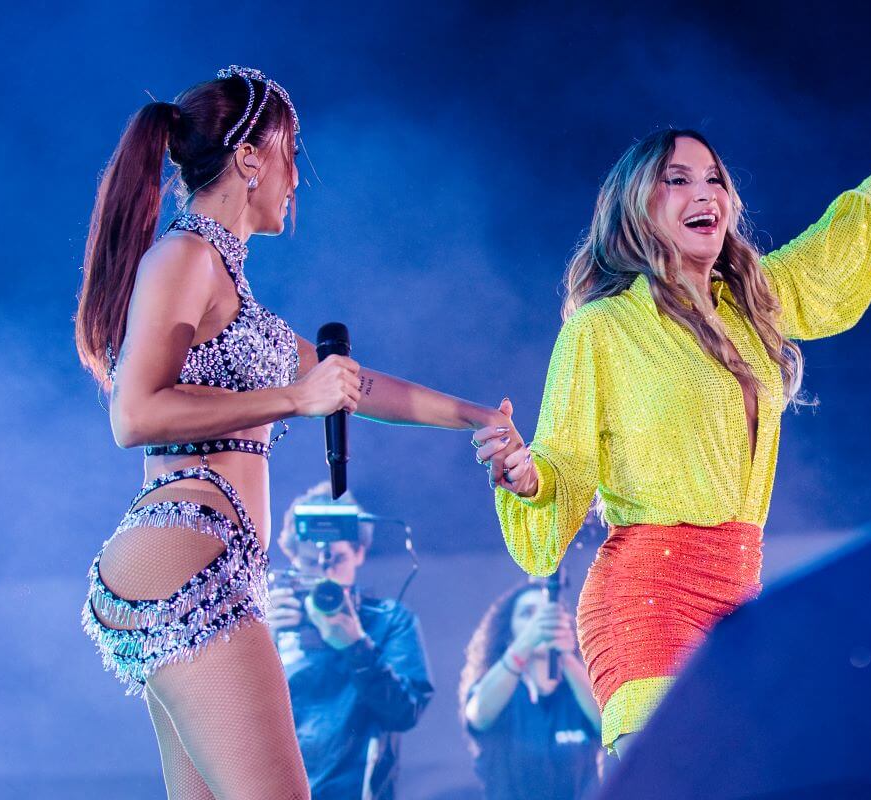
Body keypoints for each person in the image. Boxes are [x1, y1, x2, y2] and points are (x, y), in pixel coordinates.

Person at [75, 65, 511, 799]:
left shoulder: (230, 285)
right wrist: (291, 397)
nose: (297, 176)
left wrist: (480, 419)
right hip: (187, 555)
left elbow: (357, 384)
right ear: (249, 156)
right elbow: (135, 413)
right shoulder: (183, 257)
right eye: (291, 151)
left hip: (203, 564)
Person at [473, 127, 871, 755]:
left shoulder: (752, 304)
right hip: (647, 598)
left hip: (738, 605)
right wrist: (531, 478)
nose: (704, 192)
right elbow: (563, 461)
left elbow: (827, 253)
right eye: (676, 180)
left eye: (714, 180)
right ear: (637, 208)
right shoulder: (603, 329)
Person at [267, 483, 432, 800]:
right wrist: (262, 643)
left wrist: (356, 645)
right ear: (292, 557)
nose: (325, 575)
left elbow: (404, 713)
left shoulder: (388, 620)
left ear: (359, 552)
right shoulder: (274, 616)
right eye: (313, 564)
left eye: (336, 560)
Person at [460, 583, 601, 800]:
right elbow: (477, 713)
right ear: (509, 634)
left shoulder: (578, 691)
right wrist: (526, 642)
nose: (540, 623)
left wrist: (566, 656)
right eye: (528, 614)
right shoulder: (500, 690)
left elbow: (610, 722)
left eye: (548, 615)